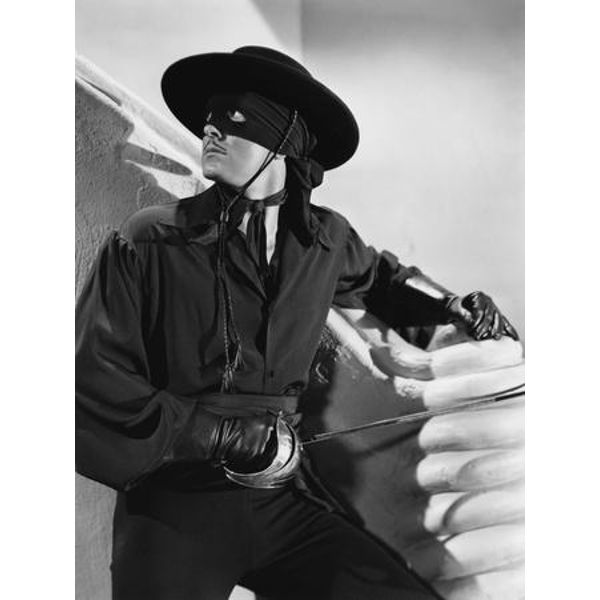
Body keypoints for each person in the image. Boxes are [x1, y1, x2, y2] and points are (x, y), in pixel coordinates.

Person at [75, 46, 518, 599]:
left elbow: (382, 279)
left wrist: (453, 305)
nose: (210, 129)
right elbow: (90, 379)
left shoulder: (324, 240)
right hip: (175, 504)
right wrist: (218, 433)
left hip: (281, 500)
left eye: (235, 119)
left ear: (282, 141)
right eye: (209, 119)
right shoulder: (152, 238)